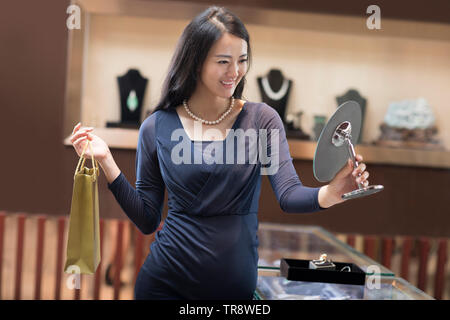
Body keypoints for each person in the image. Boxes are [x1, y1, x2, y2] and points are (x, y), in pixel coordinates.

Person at [70, 6, 370, 300]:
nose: (235, 72)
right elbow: (148, 218)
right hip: (164, 284)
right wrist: (107, 161)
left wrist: (331, 193)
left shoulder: (261, 119)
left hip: (233, 291)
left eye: (242, 60)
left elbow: (289, 195)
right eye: (223, 61)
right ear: (196, 62)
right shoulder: (156, 127)